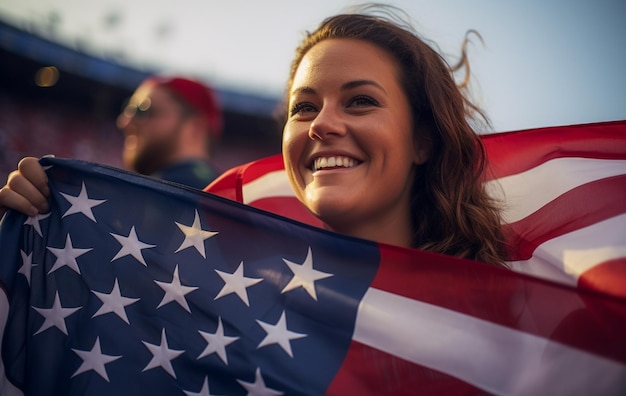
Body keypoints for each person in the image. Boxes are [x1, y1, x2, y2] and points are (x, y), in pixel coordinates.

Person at [0, 5, 506, 266]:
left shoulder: (505, 315)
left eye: (361, 100)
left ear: (423, 139)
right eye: (303, 107)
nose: (322, 124)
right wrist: (48, 224)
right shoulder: (232, 283)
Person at [117, 75, 223, 189]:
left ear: (195, 128)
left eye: (143, 110)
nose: (125, 122)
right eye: (128, 109)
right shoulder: (228, 197)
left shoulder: (151, 196)